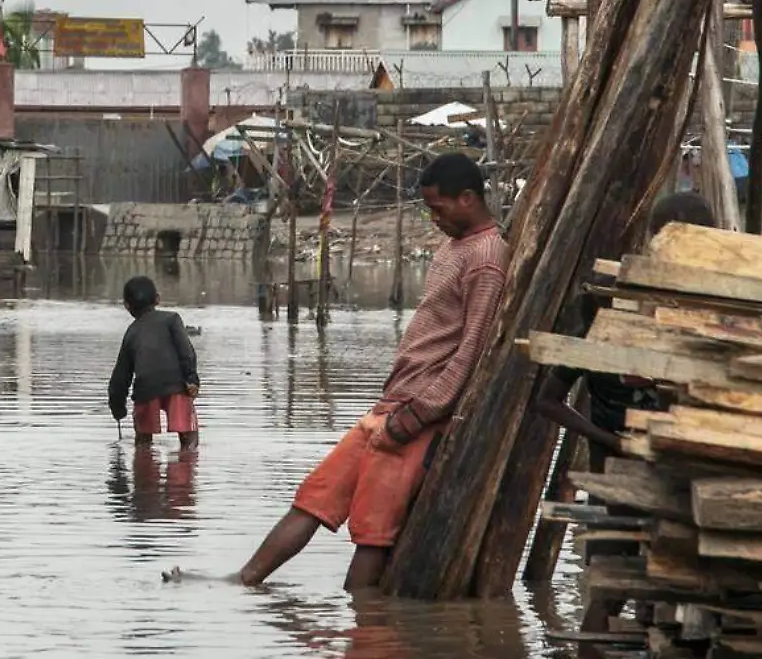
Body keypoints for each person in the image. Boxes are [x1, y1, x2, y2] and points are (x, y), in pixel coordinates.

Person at [238, 152, 508, 590]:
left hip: (417, 412)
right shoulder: (455, 246)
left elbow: (471, 352)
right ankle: (246, 581)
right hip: (393, 402)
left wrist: (416, 417)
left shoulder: (486, 257)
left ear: (468, 198)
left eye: (438, 209)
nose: (433, 219)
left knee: (373, 533)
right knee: (314, 498)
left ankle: (363, 622)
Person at [531, 191, 717, 464]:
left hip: (681, 457)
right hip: (620, 462)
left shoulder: (712, 311)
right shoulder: (614, 315)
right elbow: (548, 399)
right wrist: (611, 440)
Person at [109, 276, 201, 449]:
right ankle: (185, 466)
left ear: (127, 305)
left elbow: (120, 377)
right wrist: (191, 379)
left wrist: (118, 408)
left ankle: (144, 470)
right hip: (177, 386)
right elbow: (187, 352)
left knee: (143, 441)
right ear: (157, 298)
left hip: (146, 389)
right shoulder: (172, 320)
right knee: (189, 437)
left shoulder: (132, 333)